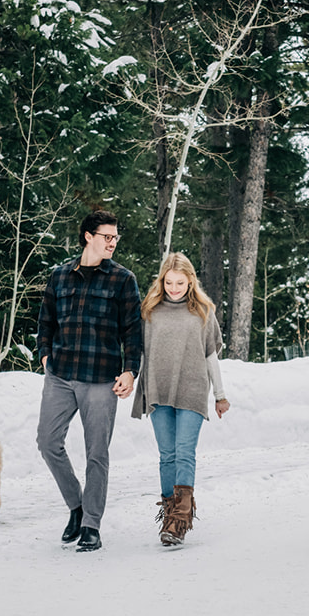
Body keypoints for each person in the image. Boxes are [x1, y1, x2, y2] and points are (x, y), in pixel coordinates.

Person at [35, 209, 142, 553]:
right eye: (107, 236)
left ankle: (92, 524)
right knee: (48, 442)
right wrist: (45, 353)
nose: (113, 242)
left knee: (97, 453)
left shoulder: (123, 279)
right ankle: (76, 506)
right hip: (61, 375)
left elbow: (132, 330)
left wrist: (130, 370)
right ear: (88, 236)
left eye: (116, 237)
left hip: (100, 378)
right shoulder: (60, 275)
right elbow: (46, 319)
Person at [132, 253, 230, 547]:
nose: (174, 288)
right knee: (167, 455)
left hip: (192, 388)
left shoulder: (202, 310)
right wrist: (127, 378)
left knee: (184, 451)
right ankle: (169, 511)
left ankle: (180, 520)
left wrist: (220, 395)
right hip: (158, 387)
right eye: (169, 282)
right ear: (162, 281)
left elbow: (211, 355)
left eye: (181, 282)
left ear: (191, 281)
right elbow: (139, 352)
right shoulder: (149, 310)